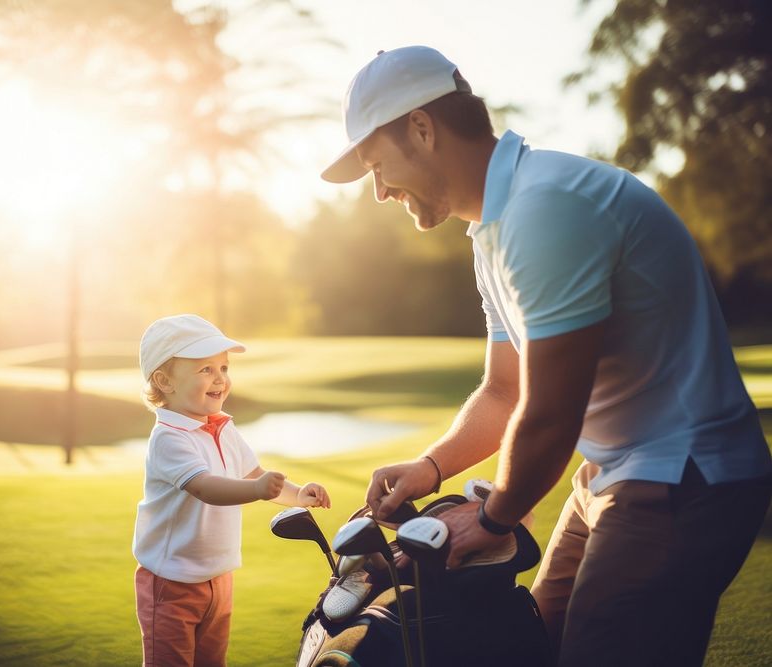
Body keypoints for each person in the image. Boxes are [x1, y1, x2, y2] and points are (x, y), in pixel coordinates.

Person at [321, 45, 772, 666]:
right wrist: (430, 468)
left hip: (683, 478)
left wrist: (495, 518)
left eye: (377, 164)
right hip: (613, 473)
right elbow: (504, 392)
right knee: (536, 642)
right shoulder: (493, 230)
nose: (378, 191)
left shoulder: (547, 207)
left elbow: (552, 409)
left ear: (422, 130)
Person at [132, 313, 331, 667]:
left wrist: (298, 494)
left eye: (223, 368)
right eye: (205, 369)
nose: (220, 379)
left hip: (218, 576)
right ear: (164, 381)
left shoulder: (223, 428)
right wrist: (255, 489)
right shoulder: (169, 438)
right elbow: (206, 487)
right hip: (172, 583)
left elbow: (256, 474)